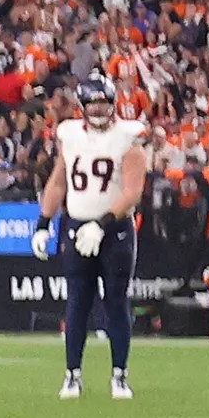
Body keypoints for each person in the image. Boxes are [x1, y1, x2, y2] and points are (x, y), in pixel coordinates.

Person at [52, 74, 149, 399]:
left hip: (114, 231)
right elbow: (57, 182)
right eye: (93, 102)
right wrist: (42, 221)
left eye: (103, 102)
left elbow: (133, 192)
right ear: (82, 105)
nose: (98, 108)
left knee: (116, 301)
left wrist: (102, 223)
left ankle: (119, 375)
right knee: (77, 303)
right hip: (77, 225)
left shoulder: (128, 136)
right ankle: (72, 374)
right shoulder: (69, 135)